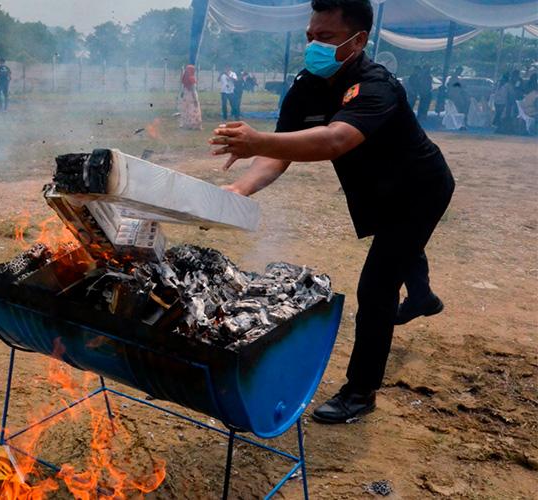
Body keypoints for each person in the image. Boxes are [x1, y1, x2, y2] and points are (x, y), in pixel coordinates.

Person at [210, 0, 454, 424]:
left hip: (420, 190)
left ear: (357, 41)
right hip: (378, 190)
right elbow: (280, 149)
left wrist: (258, 140)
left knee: (377, 286)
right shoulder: (308, 82)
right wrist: (241, 187)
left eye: (324, 38)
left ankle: (360, 392)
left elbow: (334, 141)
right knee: (397, 247)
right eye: (310, 36)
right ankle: (423, 297)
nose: (313, 46)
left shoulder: (376, 84)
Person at [179, 65, 203, 130]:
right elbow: (192, 89)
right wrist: (195, 99)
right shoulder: (192, 78)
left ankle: (186, 124)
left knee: (186, 110)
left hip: (185, 95)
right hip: (191, 96)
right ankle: (194, 125)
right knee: (193, 109)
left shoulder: (185, 78)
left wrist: (182, 93)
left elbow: (184, 87)